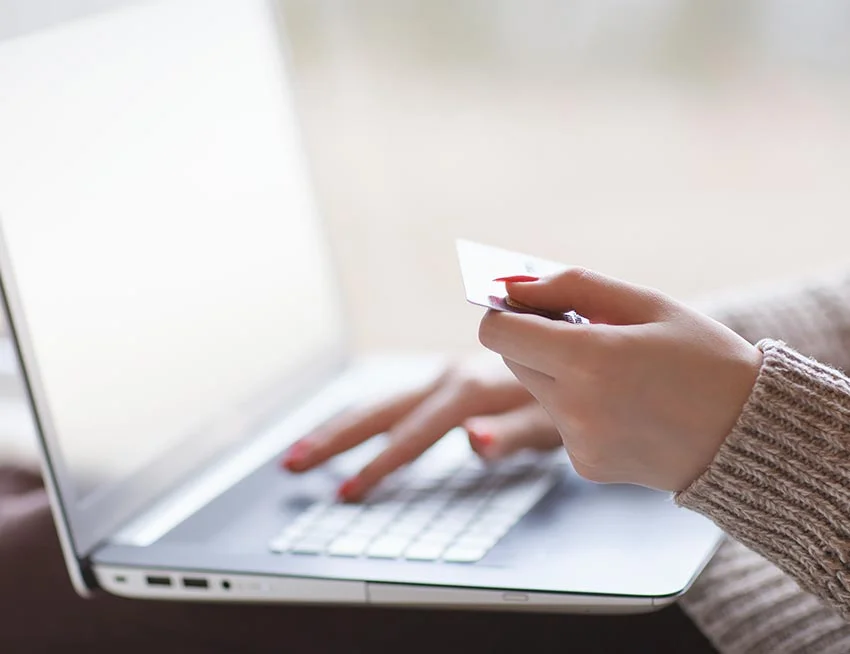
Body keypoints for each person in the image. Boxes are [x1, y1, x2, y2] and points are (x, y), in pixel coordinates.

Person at [3, 265, 850, 653]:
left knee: (30, 570)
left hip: (763, 592)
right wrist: (636, 365)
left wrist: (764, 428)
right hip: (734, 511)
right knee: (100, 490)